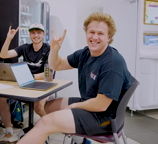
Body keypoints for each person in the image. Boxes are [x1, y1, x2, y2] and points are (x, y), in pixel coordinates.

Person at [17, 12, 132, 144]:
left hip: (103, 117)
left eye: (100, 33)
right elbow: (57, 65)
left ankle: (53, 130)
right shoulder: (85, 53)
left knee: (45, 122)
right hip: (89, 103)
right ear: (86, 33)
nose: (94, 37)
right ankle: (76, 138)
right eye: (91, 32)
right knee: (45, 107)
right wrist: (55, 49)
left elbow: (101, 104)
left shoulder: (112, 62)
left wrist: (75, 106)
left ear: (109, 37)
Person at [0, 23, 51, 144]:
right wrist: (9, 38)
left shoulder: (48, 49)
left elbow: (49, 74)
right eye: (33, 33)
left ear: (43, 34)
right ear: (30, 34)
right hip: (25, 83)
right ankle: (9, 131)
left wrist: (31, 77)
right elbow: (3, 55)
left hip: (42, 83)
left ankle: (50, 127)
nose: (36, 35)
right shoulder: (25, 47)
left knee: (38, 107)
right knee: (1, 97)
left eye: (38, 33)